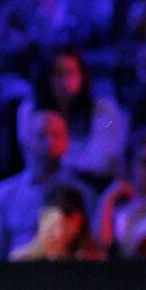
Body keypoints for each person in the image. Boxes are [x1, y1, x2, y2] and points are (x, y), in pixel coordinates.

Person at [0, 109, 95, 262]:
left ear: (67, 142)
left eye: (56, 135)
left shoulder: (83, 194)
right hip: (13, 279)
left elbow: (93, 253)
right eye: (42, 135)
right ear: (24, 144)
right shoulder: (1, 195)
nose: (50, 143)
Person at [17, 48, 129, 188]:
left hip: (96, 188)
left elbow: (101, 162)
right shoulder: (30, 110)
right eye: (58, 74)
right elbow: (33, 158)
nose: (65, 82)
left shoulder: (106, 111)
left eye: (70, 73)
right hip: (45, 188)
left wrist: (57, 162)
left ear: (83, 75)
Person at [10, 185, 105, 261]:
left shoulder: (92, 260)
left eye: (65, 226)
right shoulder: (23, 260)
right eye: (49, 223)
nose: (57, 234)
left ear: (79, 224)